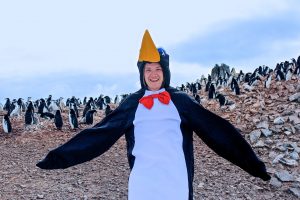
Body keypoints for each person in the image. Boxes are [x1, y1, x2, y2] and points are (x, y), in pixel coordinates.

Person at [36, 30, 270, 200]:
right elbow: (99, 136)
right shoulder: (132, 104)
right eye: (148, 69)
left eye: (158, 69)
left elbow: (217, 131)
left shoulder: (181, 101)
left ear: (166, 72)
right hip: (143, 185)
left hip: (176, 182)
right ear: (142, 73)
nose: (154, 74)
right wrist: (58, 158)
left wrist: (253, 165)